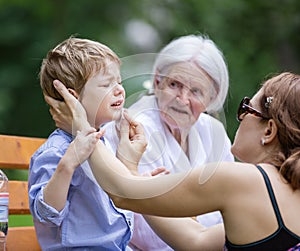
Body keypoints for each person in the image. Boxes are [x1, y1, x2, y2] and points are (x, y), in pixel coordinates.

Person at [51, 72, 300, 250]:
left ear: (269, 131)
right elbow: (196, 241)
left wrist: (82, 124)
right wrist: (131, 169)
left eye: (247, 108)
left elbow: (120, 192)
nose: (241, 117)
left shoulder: (244, 180)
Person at [48, 34, 234, 251]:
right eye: (174, 84)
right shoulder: (132, 128)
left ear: (212, 97)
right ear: (157, 81)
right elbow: (147, 234)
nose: (182, 99)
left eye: (196, 91)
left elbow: (229, 205)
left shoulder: (213, 132)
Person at [28, 37, 140, 250]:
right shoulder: (57, 151)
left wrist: (138, 178)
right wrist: (67, 165)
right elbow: (46, 213)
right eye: (107, 84)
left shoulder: (103, 143)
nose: (119, 90)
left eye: (119, 81)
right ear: (73, 98)